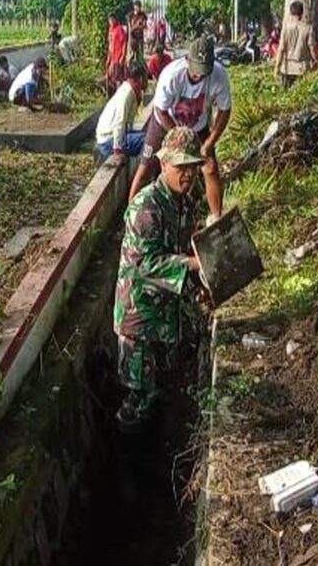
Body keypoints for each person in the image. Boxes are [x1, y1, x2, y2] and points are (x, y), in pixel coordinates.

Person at [114, 126, 205, 431]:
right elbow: (145, 263)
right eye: (181, 167)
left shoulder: (184, 203)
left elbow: (186, 246)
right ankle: (129, 460)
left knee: (165, 390)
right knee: (138, 397)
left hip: (167, 315)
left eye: (193, 167)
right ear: (164, 164)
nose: (188, 175)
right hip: (141, 316)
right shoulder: (146, 207)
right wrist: (193, 264)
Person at [129, 36, 231, 222]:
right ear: (188, 61)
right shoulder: (171, 75)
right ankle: (130, 218)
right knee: (146, 167)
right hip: (165, 123)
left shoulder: (219, 75)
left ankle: (217, 217)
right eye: (196, 71)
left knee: (210, 167)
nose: (199, 76)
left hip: (197, 126)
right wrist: (177, 134)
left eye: (204, 72)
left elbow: (225, 110)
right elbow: (160, 110)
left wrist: (209, 142)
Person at [95, 63, 147, 163]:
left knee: (146, 134)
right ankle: (142, 171)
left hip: (112, 137)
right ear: (140, 78)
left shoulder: (130, 89)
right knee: (146, 140)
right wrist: (117, 151)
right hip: (108, 141)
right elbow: (119, 122)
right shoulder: (127, 93)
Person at [274, 1, 318, 87]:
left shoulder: (286, 28)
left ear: (290, 13)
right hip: (302, 69)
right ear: (302, 13)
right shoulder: (308, 28)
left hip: (286, 68)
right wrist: (317, 61)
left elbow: (281, 49)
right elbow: (312, 48)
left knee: (287, 96)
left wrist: (277, 67)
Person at [106, 14, 129, 94]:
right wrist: (108, 57)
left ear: (115, 20)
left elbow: (124, 43)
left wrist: (123, 55)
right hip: (112, 57)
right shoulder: (110, 30)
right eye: (110, 20)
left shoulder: (119, 29)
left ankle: (120, 93)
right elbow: (110, 44)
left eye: (112, 20)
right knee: (111, 76)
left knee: (118, 77)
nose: (111, 22)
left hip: (118, 56)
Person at [127, 0, 148, 65]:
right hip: (133, 38)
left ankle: (140, 68)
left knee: (140, 55)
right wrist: (137, 25)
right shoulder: (130, 15)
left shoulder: (143, 15)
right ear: (134, 7)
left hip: (140, 37)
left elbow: (144, 26)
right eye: (136, 6)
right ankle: (130, 68)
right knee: (132, 54)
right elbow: (130, 28)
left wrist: (136, 27)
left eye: (139, 6)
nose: (138, 8)